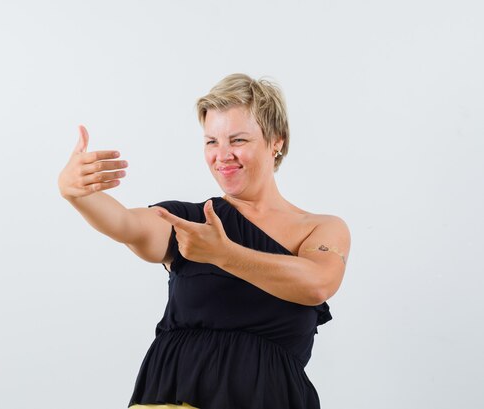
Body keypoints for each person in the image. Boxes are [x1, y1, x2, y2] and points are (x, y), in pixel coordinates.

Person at [57, 73, 351, 409]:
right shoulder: (191, 222)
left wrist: (225, 255)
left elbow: (316, 284)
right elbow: (127, 224)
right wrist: (75, 194)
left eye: (237, 140)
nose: (222, 155)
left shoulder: (320, 229)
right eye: (212, 141)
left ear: (276, 142)